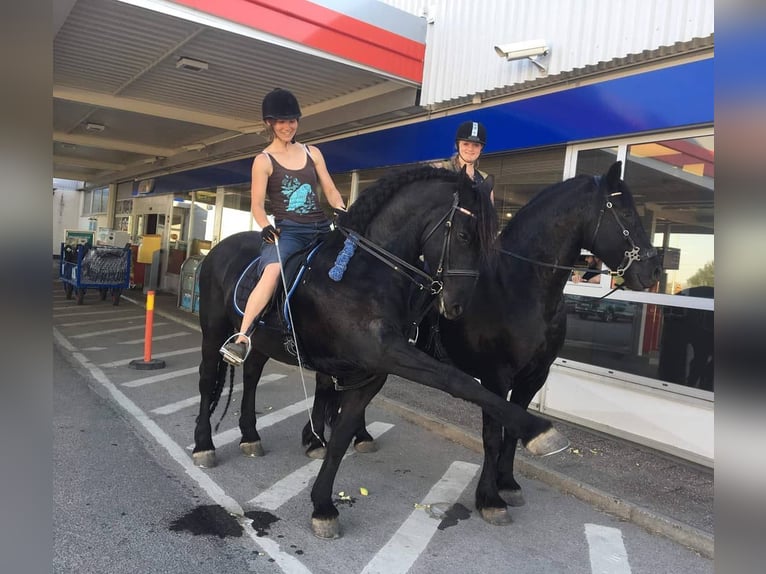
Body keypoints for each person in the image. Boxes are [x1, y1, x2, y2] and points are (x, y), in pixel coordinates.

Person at [220, 88, 346, 366]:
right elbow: (256, 205)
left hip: (321, 228)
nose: (287, 126)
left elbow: (331, 190)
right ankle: (241, 338)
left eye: (292, 120)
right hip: (289, 232)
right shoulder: (263, 161)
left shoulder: (313, 153)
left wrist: (340, 210)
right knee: (272, 272)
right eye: (281, 121)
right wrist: (265, 225)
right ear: (270, 124)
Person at [436, 120, 494, 203]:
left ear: (481, 148)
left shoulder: (484, 179)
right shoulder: (441, 169)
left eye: (476, 145)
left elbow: (489, 212)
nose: (470, 149)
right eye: (466, 144)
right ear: (457, 145)